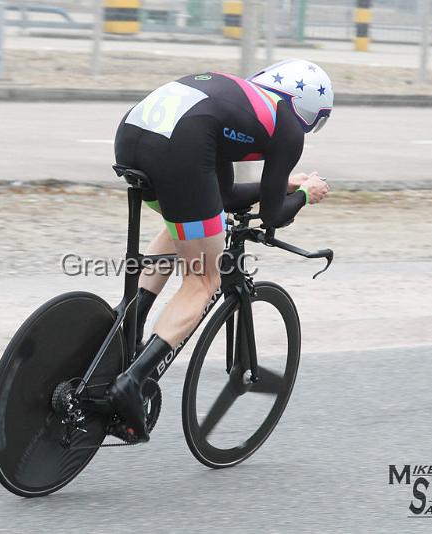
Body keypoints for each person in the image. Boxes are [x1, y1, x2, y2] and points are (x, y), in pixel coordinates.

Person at [108, 59, 332, 441]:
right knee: (203, 280)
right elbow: (273, 217)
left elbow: (223, 196)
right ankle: (132, 381)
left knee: (185, 223)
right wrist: (306, 195)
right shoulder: (289, 126)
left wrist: (283, 185)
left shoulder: (241, 101)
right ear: (310, 108)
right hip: (181, 149)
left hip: (132, 136)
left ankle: (129, 319)